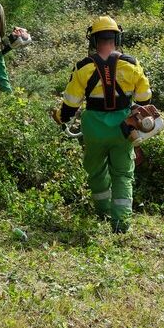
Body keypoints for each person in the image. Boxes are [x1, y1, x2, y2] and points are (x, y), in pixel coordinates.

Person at [54, 16, 153, 233]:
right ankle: (120, 223)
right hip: (123, 129)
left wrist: (60, 118)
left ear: (93, 40)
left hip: (94, 128)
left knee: (96, 170)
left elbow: (70, 104)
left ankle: (102, 211)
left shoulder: (83, 67)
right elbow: (145, 99)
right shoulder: (131, 64)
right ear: (117, 37)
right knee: (123, 173)